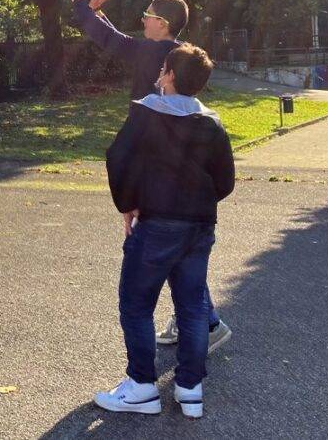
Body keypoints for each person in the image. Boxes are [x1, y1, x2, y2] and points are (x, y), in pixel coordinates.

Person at [67, 0, 231, 353]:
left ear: (163, 23)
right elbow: (120, 39)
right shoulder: (172, 53)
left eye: (148, 15)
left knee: (161, 246)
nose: (142, 19)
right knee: (181, 246)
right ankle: (202, 321)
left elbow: (112, 42)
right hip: (182, 170)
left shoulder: (155, 53)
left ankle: (206, 322)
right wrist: (96, 11)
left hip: (158, 165)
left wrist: (77, 1)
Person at [96, 44, 235, 418]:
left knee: (137, 304)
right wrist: (199, 202)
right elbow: (225, 181)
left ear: (170, 75)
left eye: (163, 68)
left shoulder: (146, 112)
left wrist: (128, 202)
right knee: (191, 308)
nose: (159, 73)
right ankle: (190, 387)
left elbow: (117, 156)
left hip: (158, 222)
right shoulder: (212, 121)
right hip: (199, 226)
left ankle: (142, 387)